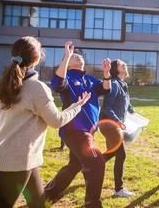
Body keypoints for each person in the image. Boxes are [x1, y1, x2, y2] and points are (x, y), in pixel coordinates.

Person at [0, 36, 90, 208]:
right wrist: (77, 106)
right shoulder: (37, 88)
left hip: (17, 158)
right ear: (36, 59)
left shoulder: (0, 85)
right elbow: (57, 121)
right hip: (18, 162)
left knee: (37, 203)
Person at [44, 42, 111, 208]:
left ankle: (48, 193)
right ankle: (92, 204)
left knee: (75, 164)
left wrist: (107, 73)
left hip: (88, 130)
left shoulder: (89, 79)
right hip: (74, 130)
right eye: (74, 55)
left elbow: (105, 89)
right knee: (96, 163)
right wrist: (66, 57)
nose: (78, 55)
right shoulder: (67, 78)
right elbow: (57, 84)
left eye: (78, 54)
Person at [99, 59, 136, 198]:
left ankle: (90, 166)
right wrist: (118, 121)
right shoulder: (114, 84)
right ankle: (118, 189)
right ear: (116, 69)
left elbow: (126, 102)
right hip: (109, 123)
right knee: (121, 154)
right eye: (122, 64)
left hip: (114, 124)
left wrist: (133, 111)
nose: (125, 65)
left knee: (112, 152)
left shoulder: (123, 83)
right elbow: (106, 107)